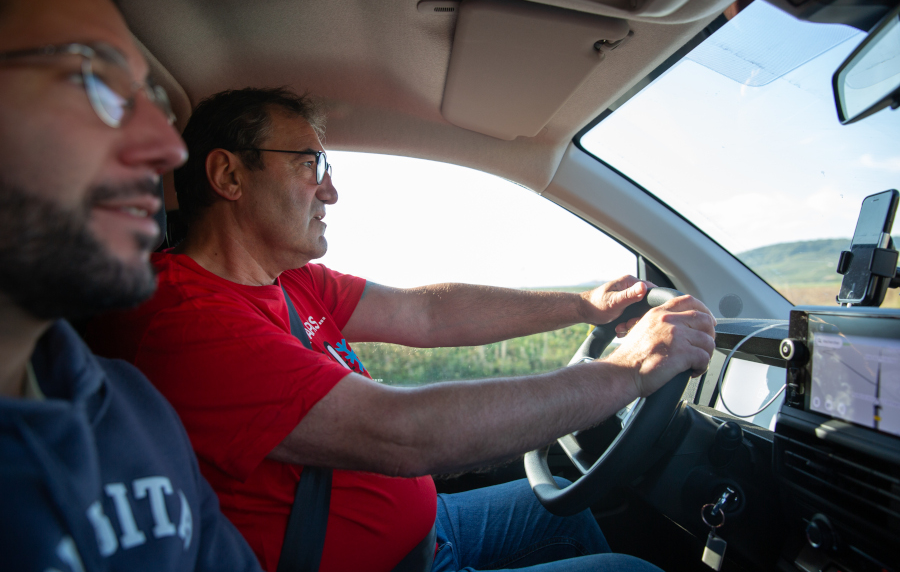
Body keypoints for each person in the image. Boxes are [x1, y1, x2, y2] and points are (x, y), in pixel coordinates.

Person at [88, 87, 717, 572]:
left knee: (568, 510)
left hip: (428, 528)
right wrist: (630, 368)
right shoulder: (187, 323)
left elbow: (427, 313)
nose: (329, 191)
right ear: (228, 177)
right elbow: (403, 434)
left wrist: (582, 307)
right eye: (311, 163)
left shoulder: (288, 279)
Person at [0, 0, 265, 570]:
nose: (169, 149)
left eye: (154, 103)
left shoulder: (131, 410)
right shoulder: (183, 320)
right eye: (93, 78)